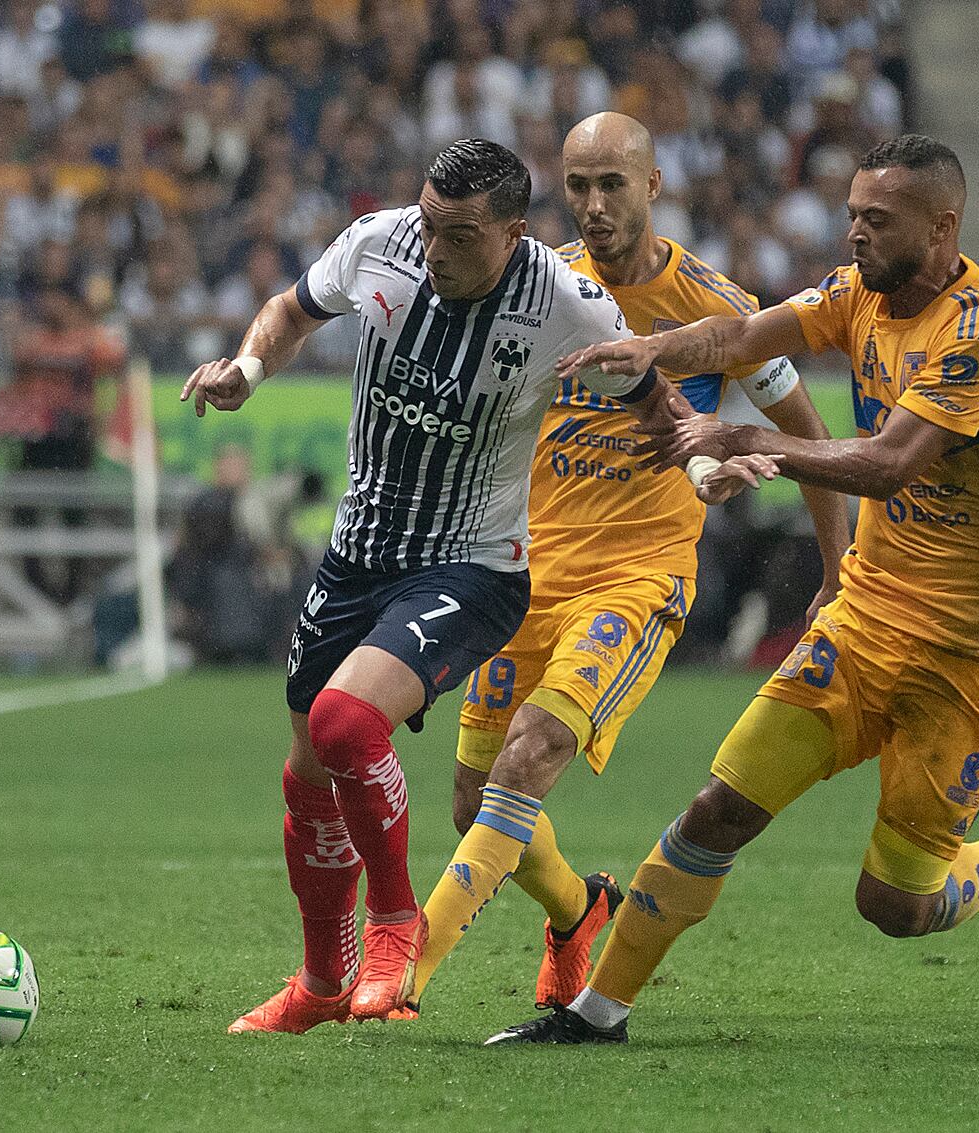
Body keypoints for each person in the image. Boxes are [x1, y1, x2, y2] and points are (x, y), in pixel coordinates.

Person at [490, 135, 979, 1045]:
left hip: (973, 655)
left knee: (895, 904)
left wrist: (737, 442)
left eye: (877, 221)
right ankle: (597, 1011)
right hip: (867, 619)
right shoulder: (857, 296)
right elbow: (735, 334)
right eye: (851, 215)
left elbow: (886, 466)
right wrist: (644, 344)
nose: (855, 236)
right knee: (718, 807)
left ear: (943, 225)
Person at [182, 139, 693, 1034]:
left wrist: (705, 459)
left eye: (458, 234)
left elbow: (657, 399)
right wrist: (247, 369)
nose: (434, 249)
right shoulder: (380, 242)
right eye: (427, 224)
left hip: (472, 565)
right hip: (356, 555)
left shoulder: (569, 305)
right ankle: (322, 981)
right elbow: (290, 308)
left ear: (512, 234)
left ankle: (394, 926)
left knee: (347, 722)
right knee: (309, 773)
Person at [406, 113, 851, 1014]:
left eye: (614, 184)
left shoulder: (719, 311)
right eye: (579, 186)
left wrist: (838, 575)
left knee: (531, 757)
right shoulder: (538, 285)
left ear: (654, 185)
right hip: (518, 573)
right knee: (470, 802)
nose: (596, 205)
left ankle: (401, 970)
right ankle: (578, 912)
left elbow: (810, 437)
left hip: (637, 577)